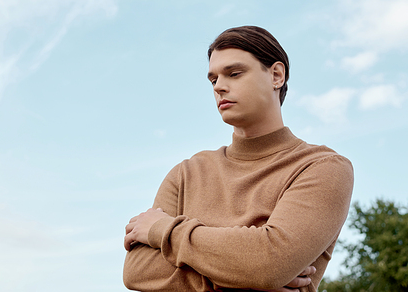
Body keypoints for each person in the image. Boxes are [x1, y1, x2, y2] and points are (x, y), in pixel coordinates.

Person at [123, 26, 354, 292]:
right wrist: (246, 275)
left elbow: (270, 263)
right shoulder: (185, 173)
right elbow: (137, 272)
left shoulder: (322, 167)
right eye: (213, 80)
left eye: (234, 73)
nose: (219, 86)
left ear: (276, 75)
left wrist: (165, 231)